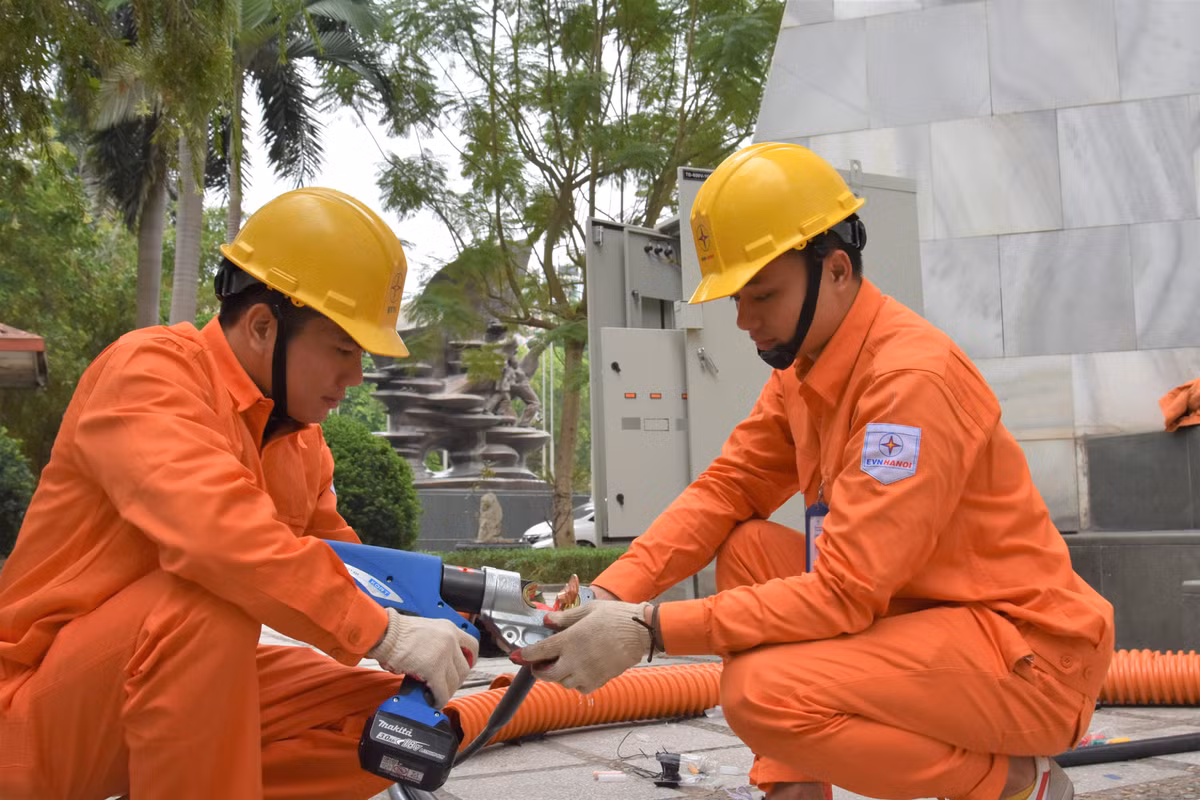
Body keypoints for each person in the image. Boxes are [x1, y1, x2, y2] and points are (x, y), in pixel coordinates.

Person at [512, 143, 1114, 800]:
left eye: (762, 294)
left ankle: (1013, 784)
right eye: (737, 297)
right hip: (927, 620)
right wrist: (610, 597)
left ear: (835, 271)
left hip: (1027, 657)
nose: (743, 320)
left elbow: (844, 594)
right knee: (746, 547)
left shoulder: (909, 384)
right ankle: (793, 790)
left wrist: (650, 630)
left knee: (761, 694)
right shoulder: (805, 370)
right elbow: (728, 489)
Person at [0, 187, 478, 800]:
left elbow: (344, 566)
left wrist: (456, 608)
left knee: (394, 722)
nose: (356, 375)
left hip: (155, 700)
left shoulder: (299, 441)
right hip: (34, 719)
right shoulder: (147, 374)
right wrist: (382, 634)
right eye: (342, 349)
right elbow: (219, 539)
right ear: (262, 326)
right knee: (211, 597)